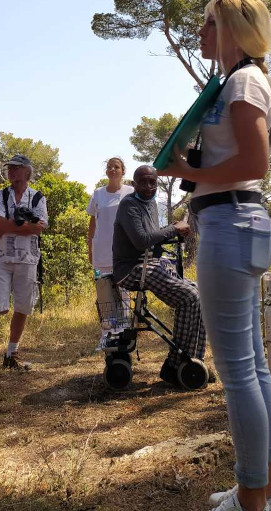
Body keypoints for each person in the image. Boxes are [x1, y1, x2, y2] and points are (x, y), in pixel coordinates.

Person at [157, 0, 271, 511]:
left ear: (233, 27)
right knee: (252, 366)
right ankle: (265, 492)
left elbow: (252, 162)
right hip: (236, 221)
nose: (201, 33)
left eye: (209, 24)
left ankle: (252, 500)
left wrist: (186, 173)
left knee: (237, 372)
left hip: (230, 222)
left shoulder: (242, 81)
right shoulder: (236, 81)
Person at [112, 165, 210, 385]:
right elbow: (142, 240)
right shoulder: (129, 205)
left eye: (152, 182)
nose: (148, 187)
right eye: (143, 182)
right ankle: (175, 365)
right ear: (134, 183)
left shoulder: (151, 204)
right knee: (189, 297)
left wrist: (175, 232)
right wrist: (174, 228)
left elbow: (154, 238)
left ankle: (195, 359)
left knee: (201, 294)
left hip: (151, 264)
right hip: (131, 269)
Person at [0, 155, 47, 375]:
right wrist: (23, 225)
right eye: (9, 169)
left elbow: (40, 227)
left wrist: (5, 228)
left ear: (27, 171)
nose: (11, 172)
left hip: (27, 257)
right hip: (1, 257)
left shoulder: (37, 197)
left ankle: (12, 354)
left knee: (23, 306)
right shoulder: (1, 194)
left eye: (16, 168)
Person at [87, 157, 134, 275]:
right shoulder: (98, 193)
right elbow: (93, 222)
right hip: (101, 250)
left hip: (124, 250)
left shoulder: (131, 192)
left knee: (124, 291)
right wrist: (90, 248)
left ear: (123, 171)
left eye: (116, 167)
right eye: (109, 167)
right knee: (104, 290)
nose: (112, 169)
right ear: (106, 171)